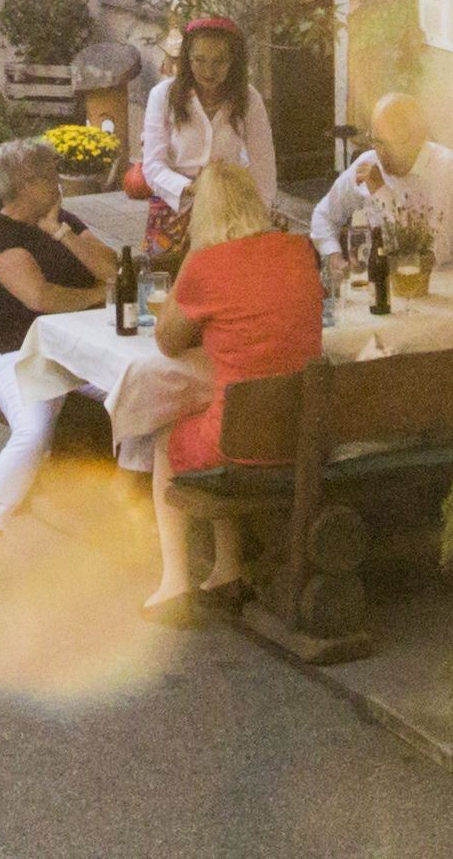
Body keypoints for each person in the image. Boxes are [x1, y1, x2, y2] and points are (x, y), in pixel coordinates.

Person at [0, 139, 120, 610]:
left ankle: (130, 528)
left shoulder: (63, 221)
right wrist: (99, 295)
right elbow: (40, 297)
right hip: (20, 357)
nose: (58, 181)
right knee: (32, 431)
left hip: (83, 353)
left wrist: (63, 235)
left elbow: (116, 269)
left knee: (141, 398)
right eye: (50, 174)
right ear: (25, 184)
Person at [137, 144, 323, 624]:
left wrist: (189, 262)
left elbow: (167, 342)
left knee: (167, 434)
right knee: (219, 415)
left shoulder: (206, 265)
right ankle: (227, 569)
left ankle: (175, 582)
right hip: (306, 429)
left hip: (237, 440)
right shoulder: (298, 250)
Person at [304, 89, 453, 283]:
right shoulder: (369, 162)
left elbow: (431, 252)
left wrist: (382, 193)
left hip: (443, 281)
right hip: (381, 280)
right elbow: (323, 214)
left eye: (396, 142)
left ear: (421, 136)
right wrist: (334, 257)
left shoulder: (447, 168)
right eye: (378, 141)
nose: (384, 152)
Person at [129, 14, 266, 226]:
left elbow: (263, 163)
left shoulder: (248, 97)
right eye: (200, 60)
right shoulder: (163, 95)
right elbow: (153, 165)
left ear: (233, 61)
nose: (209, 71)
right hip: (175, 207)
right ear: (188, 58)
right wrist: (191, 188)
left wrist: (263, 211)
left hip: (230, 207)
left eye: (219, 61)